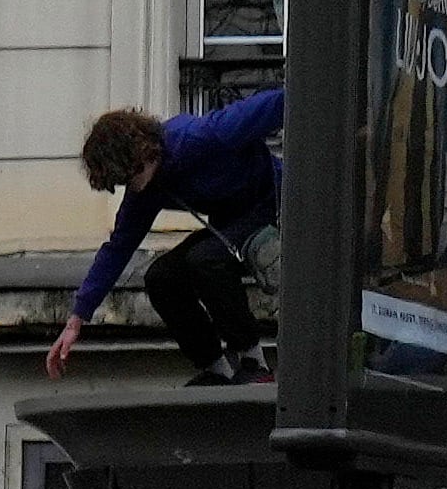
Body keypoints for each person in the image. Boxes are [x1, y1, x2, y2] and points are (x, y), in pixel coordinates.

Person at [52, 88, 284, 384]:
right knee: (161, 276)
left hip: (271, 207)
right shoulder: (146, 188)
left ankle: (253, 361)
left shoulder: (201, 136)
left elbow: (277, 102)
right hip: (228, 226)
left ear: (141, 154)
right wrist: (76, 319)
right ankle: (217, 369)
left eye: (127, 178)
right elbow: (118, 247)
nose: (131, 188)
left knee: (205, 259)